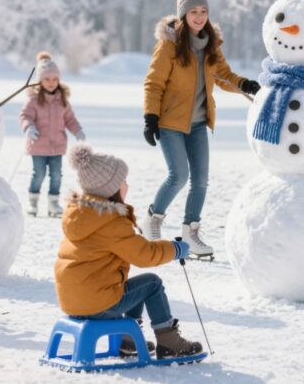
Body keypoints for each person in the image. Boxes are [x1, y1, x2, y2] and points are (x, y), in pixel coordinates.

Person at [141, 0, 260, 254]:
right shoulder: (169, 46)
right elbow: (153, 83)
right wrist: (150, 117)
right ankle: (153, 218)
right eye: (194, 12)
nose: (199, 17)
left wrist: (245, 85)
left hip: (197, 124)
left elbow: (224, 76)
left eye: (203, 12)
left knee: (201, 180)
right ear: (184, 14)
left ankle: (190, 233)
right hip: (170, 123)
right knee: (178, 176)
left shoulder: (210, 46)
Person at [54, 143, 203, 359]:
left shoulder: (81, 216)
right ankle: (169, 343)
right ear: (111, 189)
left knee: (132, 287)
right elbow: (144, 255)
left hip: (71, 300)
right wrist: (174, 249)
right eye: (123, 181)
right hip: (97, 304)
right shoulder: (110, 222)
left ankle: (128, 338)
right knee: (151, 283)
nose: (126, 184)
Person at [19, 51, 85, 218]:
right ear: (40, 80)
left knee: (57, 175)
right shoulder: (33, 100)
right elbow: (25, 116)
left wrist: (77, 131)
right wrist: (29, 128)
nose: (51, 83)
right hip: (38, 146)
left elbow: (70, 119)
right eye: (47, 79)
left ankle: (53, 203)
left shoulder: (62, 100)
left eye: (55, 79)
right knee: (39, 174)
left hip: (57, 146)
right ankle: (33, 201)